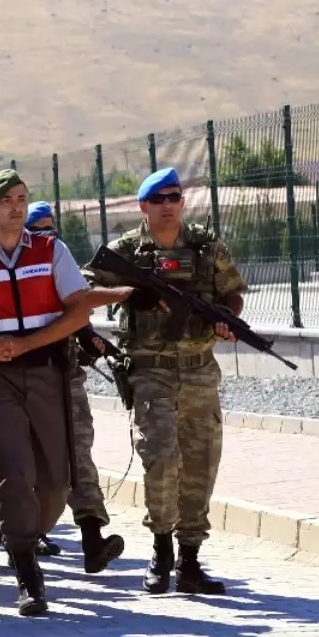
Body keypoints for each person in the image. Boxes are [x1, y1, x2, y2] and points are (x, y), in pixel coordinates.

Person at [0, 170, 122, 616]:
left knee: (55, 482)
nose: (16, 207)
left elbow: (78, 308)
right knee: (14, 472)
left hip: (47, 370)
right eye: (7, 200)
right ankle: (26, 570)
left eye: (22, 198)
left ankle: (26, 535)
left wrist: (29, 343)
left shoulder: (51, 250)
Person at [84, 167, 248, 596]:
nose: (168, 205)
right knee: (160, 459)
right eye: (158, 199)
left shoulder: (206, 246)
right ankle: (161, 551)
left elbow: (233, 292)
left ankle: (190, 559)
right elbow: (80, 289)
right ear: (143, 207)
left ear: (183, 202)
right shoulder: (127, 251)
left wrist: (228, 319)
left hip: (199, 369)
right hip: (150, 370)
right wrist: (125, 294)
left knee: (200, 463)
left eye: (174, 197)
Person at [19, 201, 125, 573]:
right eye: (39, 229)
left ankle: (92, 537)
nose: (48, 236)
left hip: (66, 378)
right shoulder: (16, 274)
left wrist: (93, 340)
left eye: (52, 229)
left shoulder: (64, 268)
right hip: (21, 381)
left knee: (78, 455)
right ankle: (20, 532)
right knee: (24, 462)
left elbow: (80, 311)